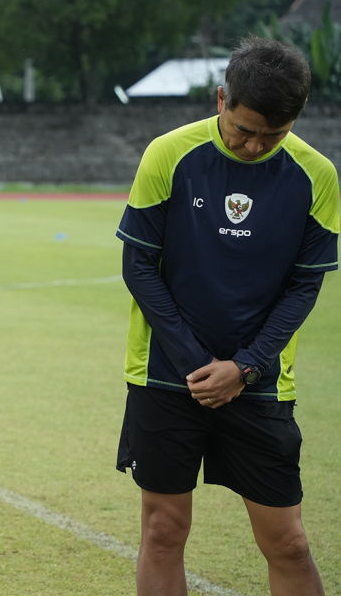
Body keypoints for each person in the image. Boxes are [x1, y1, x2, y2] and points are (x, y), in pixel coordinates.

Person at [115, 36, 338, 596]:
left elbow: (304, 286)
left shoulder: (318, 176)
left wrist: (245, 367)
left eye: (273, 135)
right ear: (221, 99)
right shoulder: (168, 153)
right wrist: (199, 364)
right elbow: (139, 267)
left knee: (288, 542)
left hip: (259, 384)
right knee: (163, 530)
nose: (255, 145)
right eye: (244, 129)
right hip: (168, 378)